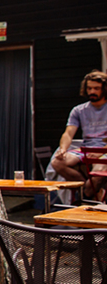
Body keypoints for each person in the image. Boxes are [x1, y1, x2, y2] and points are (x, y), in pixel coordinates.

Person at [52, 70, 107, 198]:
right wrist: (63, 149)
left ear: (104, 89)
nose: (92, 92)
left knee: (99, 171)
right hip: (85, 149)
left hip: (104, 151)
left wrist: (101, 151)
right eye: (89, 88)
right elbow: (68, 133)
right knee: (57, 162)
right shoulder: (79, 110)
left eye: (96, 88)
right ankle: (88, 190)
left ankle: (86, 195)